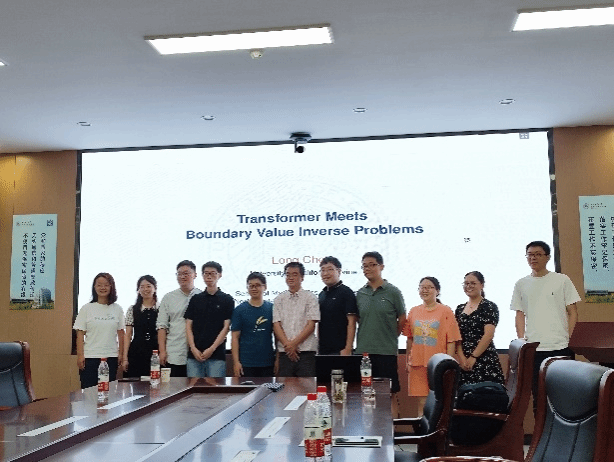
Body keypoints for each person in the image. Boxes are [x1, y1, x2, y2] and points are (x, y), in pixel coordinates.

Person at [511, 240, 581, 413]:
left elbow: (572, 312)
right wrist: (522, 340)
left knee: (564, 394)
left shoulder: (561, 280)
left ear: (547, 257)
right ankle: (540, 430)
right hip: (534, 349)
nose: (533, 258)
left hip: (560, 346)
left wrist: (569, 338)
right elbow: (519, 314)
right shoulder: (521, 284)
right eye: (530, 255)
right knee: (539, 396)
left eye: (537, 254)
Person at [355, 251, 406, 416]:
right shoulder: (360, 293)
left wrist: (391, 336)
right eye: (364, 266)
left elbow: (402, 318)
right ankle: (369, 427)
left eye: (372, 265)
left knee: (389, 393)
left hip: (386, 352)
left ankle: (393, 429)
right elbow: (358, 319)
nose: (367, 269)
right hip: (363, 353)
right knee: (365, 393)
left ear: (381, 266)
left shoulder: (393, 292)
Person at [403, 276, 461, 406]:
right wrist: (408, 360)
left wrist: (447, 365)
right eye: (422, 287)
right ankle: (422, 421)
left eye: (429, 287)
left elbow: (451, 340)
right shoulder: (413, 311)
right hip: (417, 364)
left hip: (437, 365)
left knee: (439, 402)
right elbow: (410, 338)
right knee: (422, 404)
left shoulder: (445, 311)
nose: (425, 290)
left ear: (437, 291)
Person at [73, 272, 125, 389]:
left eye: (106, 285)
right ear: (94, 287)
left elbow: (121, 334)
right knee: (89, 392)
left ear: (111, 287)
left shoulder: (117, 309)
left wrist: (121, 354)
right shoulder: (86, 308)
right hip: (90, 357)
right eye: (99, 285)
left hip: (111, 357)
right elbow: (80, 334)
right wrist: (80, 356)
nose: (103, 288)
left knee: (108, 392)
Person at [184, 261, 234, 378]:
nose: (209, 276)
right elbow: (188, 325)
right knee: (194, 387)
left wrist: (212, 349)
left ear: (219, 275)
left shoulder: (227, 299)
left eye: (213, 273)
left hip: (216, 355)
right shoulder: (196, 299)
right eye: (206, 273)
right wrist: (193, 348)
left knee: (216, 388)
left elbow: (226, 327)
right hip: (194, 355)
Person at [454, 271, 504, 386]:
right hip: (464, 362)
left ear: (482, 285)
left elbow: (488, 335)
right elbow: (457, 336)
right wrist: (462, 358)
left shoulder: (489, 306)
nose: (469, 286)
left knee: (486, 393)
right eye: (466, 283)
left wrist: (473, 357)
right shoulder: (459, 309)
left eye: (473, 283)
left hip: (484, 359)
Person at [272, 262, 320, 377]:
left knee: (306, 386)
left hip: (306, 352)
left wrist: (293, 344)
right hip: (285, 353)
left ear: (302, 277)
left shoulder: (310, 297)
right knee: (285, 387)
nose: (290, 278)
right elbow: (276, 325)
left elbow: (311, 325)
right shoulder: (279, 299)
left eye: (294, 274)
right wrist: (288, 346)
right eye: (288, 275)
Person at [157, 260, 201, 377]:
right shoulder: (168, 297)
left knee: (196, 386)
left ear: (195, 275)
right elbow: (161, 326)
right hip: (174, 352)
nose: (182, 277)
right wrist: (162, 351)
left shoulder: (202, 296)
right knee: (173, 386)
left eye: (186, 273)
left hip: (197, 353)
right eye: (179, 274)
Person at [231, 272, 275, 377]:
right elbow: (235, 338)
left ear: (265, 287)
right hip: (246, 363)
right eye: (251, 286)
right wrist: (236, 362)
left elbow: (277, 337)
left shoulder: (272, 308)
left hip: (267, 362)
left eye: (257, 285)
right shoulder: (240, 310)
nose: (254, 288)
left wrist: (277, 359)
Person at [318, 256, 358, 355]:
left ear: (339, 271)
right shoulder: (322, 294)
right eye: (323, 270)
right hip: (323, 350)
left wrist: (348, 348)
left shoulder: (346, 292)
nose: (325, 273)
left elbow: (352, 322)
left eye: (330, 269)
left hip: (341, 350)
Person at [123, 275, 159, 378]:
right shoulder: (132, 309)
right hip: (136, 352)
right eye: (142, 287)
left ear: (155, 288)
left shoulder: (161, 309)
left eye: (148, 286)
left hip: (156, 352)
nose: (145, 289)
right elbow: (128, 335)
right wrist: (125, 358)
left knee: (155, 382)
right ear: (138, 290)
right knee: (135, 383)